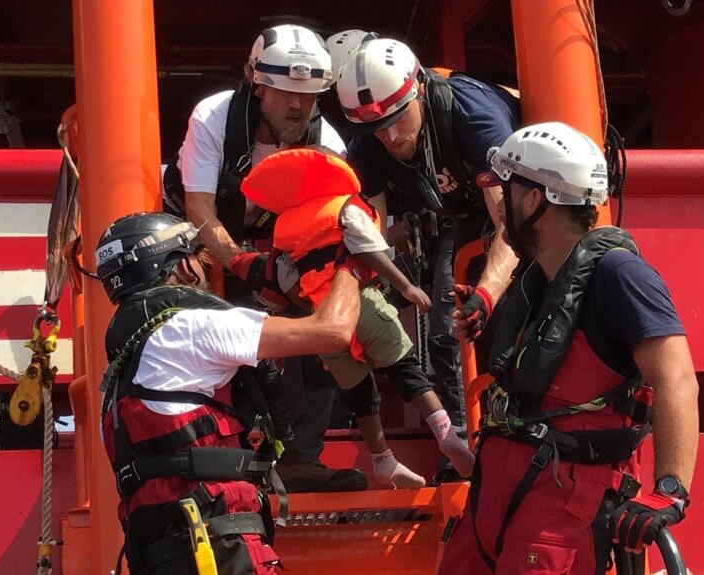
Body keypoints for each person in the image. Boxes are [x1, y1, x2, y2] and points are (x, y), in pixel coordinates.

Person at [436, 122, 699, 574]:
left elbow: (676, 379)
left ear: (535, 200)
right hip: (496, 499)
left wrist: (669, 489)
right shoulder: (540, 280)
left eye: (508, 192)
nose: (501, 208)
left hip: (561, 509)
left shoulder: (621, 277)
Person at [95, 211, 363, 575]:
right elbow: (332, 331)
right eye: (198, 259)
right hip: (217, 545)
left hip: (164, 553)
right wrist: (352, 265)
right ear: (184, 268)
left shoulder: (120, 376)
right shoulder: (190, 328)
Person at [164, 23, 366, 492]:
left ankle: (300, 455)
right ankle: (212, 449)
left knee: (320, 314)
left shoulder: (327, 142)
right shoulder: (214, 117)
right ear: (256, 83)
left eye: (310, 95)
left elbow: (334, 224)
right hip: (197, 238)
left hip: (273, 245)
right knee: (204, 319)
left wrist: (299, 279)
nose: (298, 105)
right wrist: (240, 264)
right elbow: (199, 208)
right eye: (285, 93)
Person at [335, 39, 521, 472]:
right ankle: (461, 452)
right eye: (377, 129)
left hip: (519, 208)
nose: (391, 135)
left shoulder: (472, 114)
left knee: (507, 320)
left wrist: (487, 294)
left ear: (417, 90)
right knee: (443, 331)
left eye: (398, 121)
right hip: (452, 213)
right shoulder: (369, 140)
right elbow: (372, 232)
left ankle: (513, 433)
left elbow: (512, 223)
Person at [241, 147, 477, 487]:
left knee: (360, 392)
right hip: (362, 302)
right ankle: (446, 435)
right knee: (404, 368)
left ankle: (382, 458)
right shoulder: (345, 207)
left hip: (322, 321)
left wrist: (314, 307)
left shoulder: (286, 227)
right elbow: (370, 249)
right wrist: (406, 286)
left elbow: (285, 282)